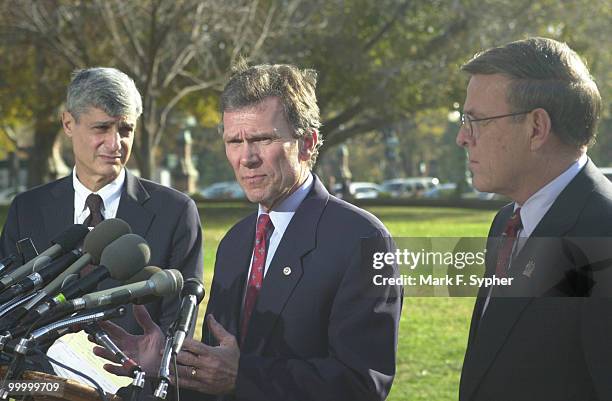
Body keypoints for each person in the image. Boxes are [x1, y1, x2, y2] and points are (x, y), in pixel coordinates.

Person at [95, 62, 402, 401]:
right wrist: (167, 365)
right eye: (234, 141)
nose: (246, 158)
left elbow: (362, 384)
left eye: (262, 139)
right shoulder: (236, 242)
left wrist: (243, 377)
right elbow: (217, 375)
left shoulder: (362, 240)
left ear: (307, 143)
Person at [456, 37, 612, 400]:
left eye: (476, 121)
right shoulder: (507, 223)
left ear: (536, 128)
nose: (463, 137)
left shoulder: (603, 234)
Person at [0, 67, 204, 334]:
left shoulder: (176, 213)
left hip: (130, 373)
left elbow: (176, 328)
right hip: (35, 373)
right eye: (102, 128)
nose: (115, 143)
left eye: (125, 129)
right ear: (68, 124)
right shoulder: (27, 209)